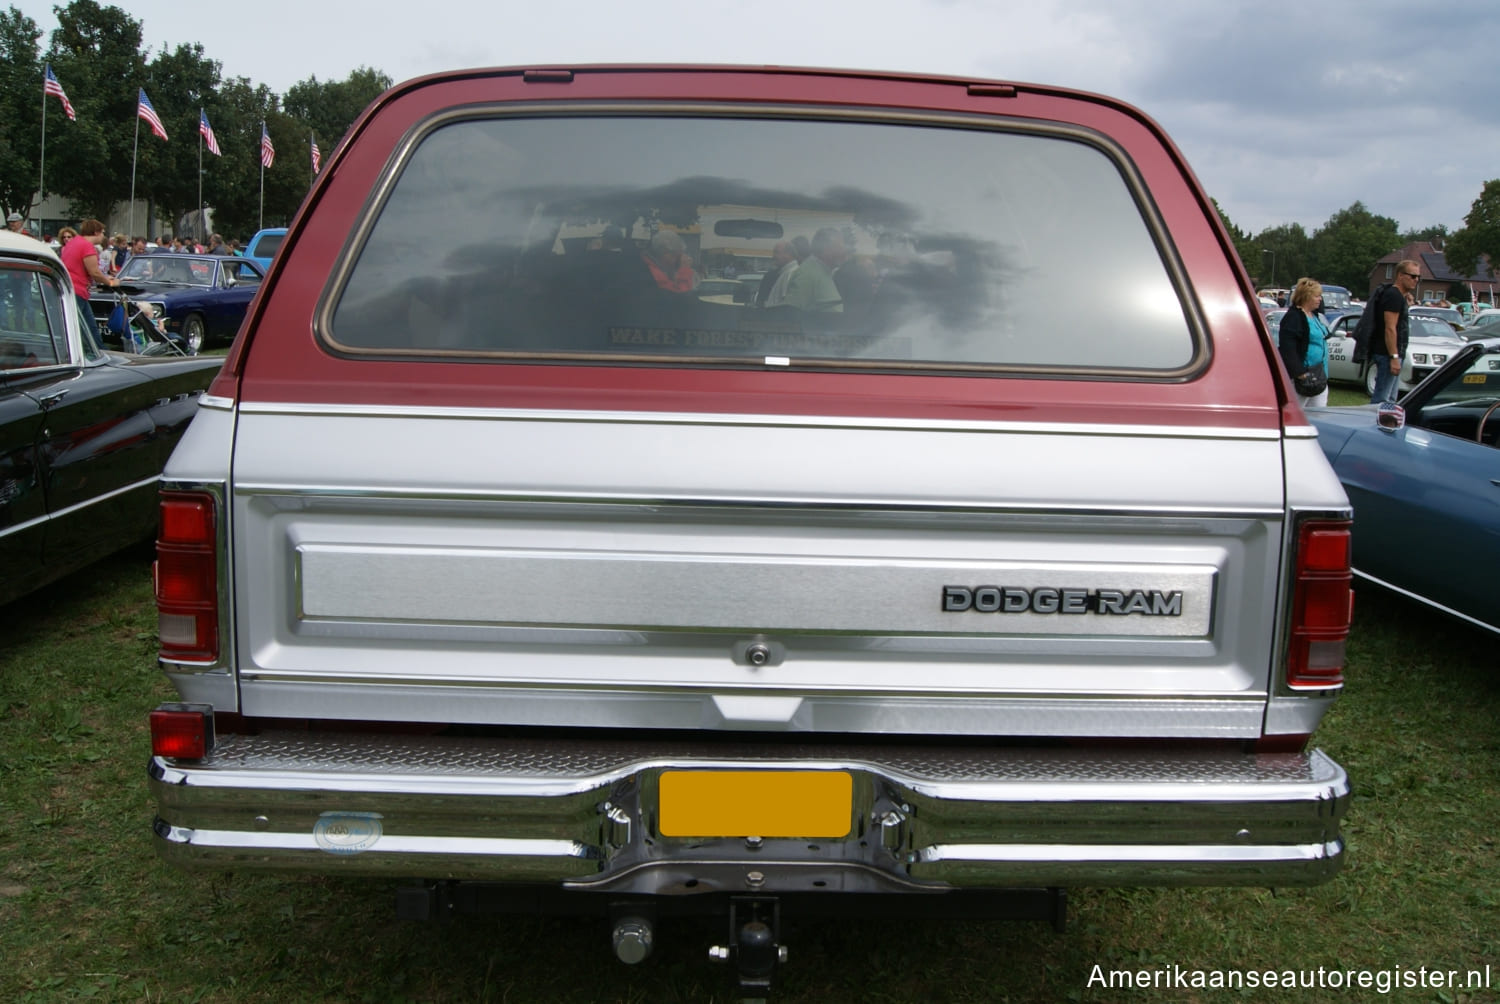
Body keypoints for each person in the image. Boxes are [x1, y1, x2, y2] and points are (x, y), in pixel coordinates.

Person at [60, 219, 117, 348]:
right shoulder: (86, 246)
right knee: (86, 330)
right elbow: (95, 273)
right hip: (77, 291)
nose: (103, 236)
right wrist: (112, 282)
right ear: (96, 232)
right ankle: (96, 352)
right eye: (102, 233)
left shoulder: (73, 243)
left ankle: (98, 349)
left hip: (70, 289)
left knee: (88, 328)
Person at [1371, 261, 1418, 403]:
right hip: (1387, 354)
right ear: (1400, 275)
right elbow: (1390, 328)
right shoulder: (1394, 295)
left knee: (1390, 399)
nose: (1416, 280)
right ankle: (1372, 424)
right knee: (1382, 400)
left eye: (1418, 277)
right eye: (1413, 276)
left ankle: (1384, 424)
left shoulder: (1398, 296)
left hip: (1392, 354)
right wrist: (1394, 357)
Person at [1277, 278, 1329, 408]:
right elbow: (1287, 348)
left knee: (1320, 414)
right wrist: (1300, 373)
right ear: (1307, 297)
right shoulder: (1293, 317)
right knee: (1295, 413)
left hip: (1318, 374)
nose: (1320, 299)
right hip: (1302, 376)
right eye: (1317, 296)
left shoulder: (1315, 315)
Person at [783, 227, 847, 312]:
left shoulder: (823, 271)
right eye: (840, 247)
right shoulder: (807, 274)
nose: (844, 251)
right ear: (826, 249)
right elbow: (791, 314)